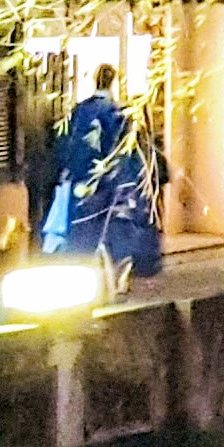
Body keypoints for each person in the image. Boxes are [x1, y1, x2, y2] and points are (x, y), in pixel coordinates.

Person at [45, 64, 166, 283]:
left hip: (82, 181)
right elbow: (122, 151)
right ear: (114, 82)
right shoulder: (117, 113)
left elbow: (68, 144)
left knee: (82, 230)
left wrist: (67, 171)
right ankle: (114, 276)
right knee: (113, 232)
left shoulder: (79, 111)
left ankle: (82, 271)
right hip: (109, 184)